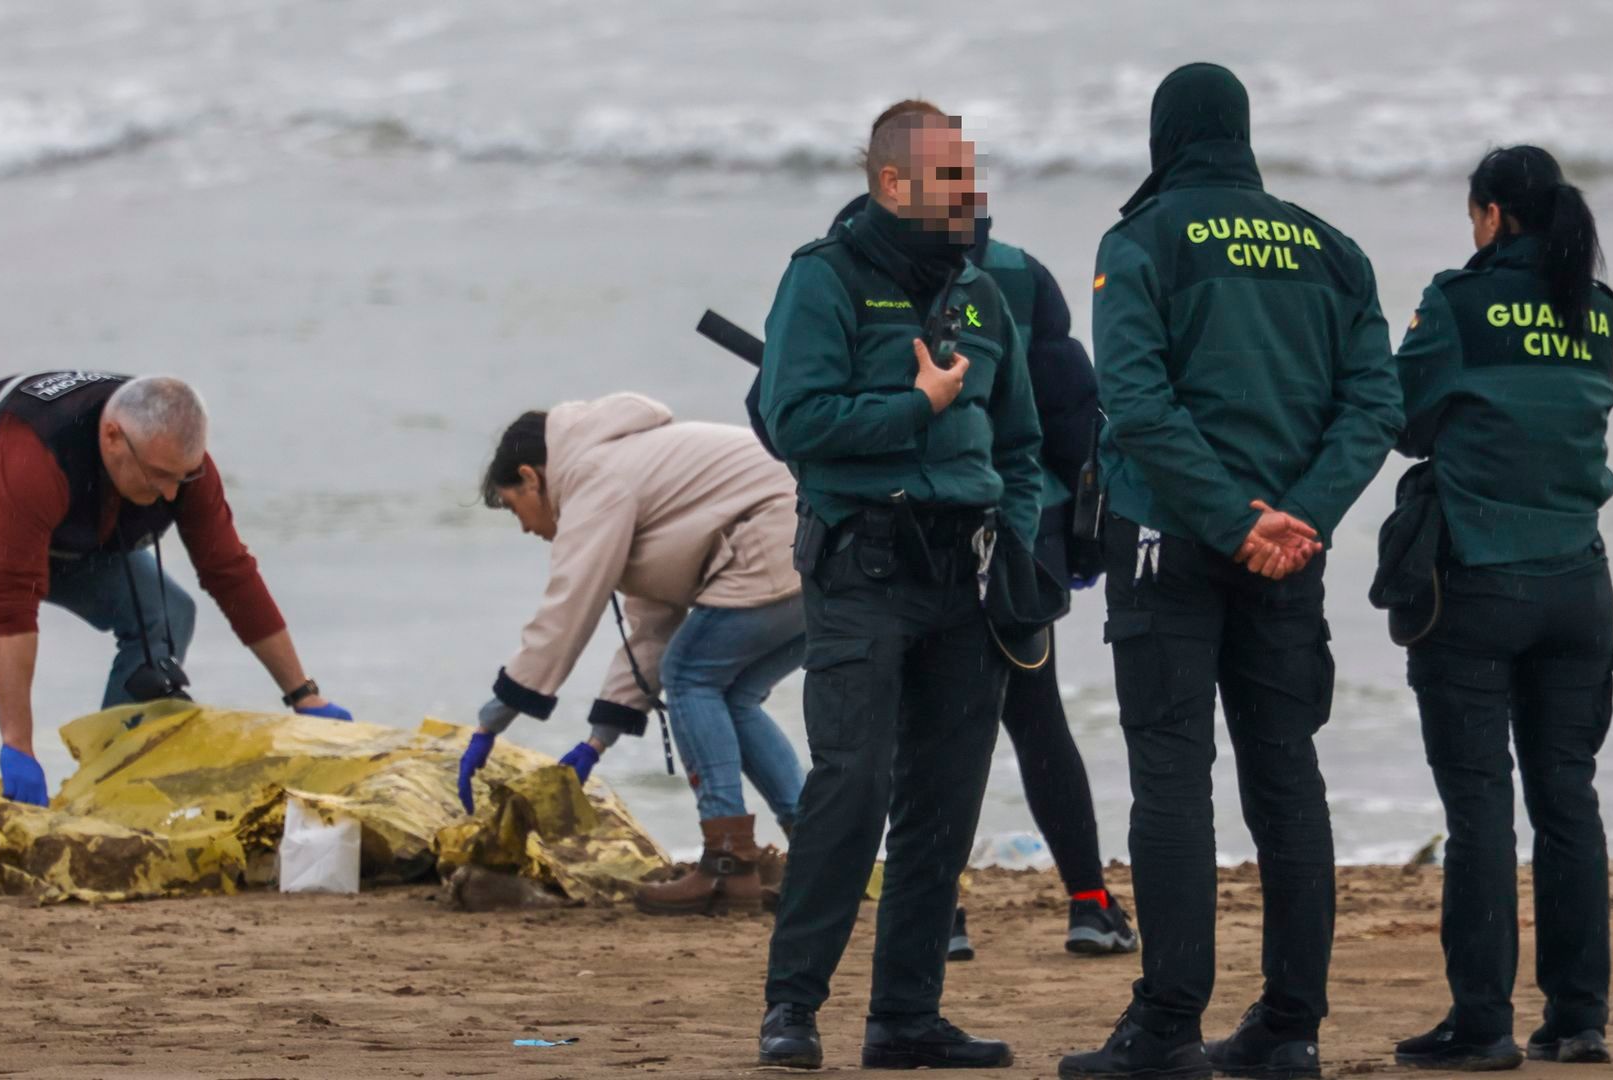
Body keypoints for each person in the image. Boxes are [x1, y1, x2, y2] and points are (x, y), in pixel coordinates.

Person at [1058, 64, 1401, 1080]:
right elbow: (1374, 404)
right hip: (1291, 549)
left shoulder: (1143, 239)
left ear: (1164, 136)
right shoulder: (1332, 250)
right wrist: (1302, 514)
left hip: (1172, 537)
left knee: (1172, 776)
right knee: (1287, 776)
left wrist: (1228, 518)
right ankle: (1290, 1028)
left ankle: (1167, 1029)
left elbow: (1133, 398)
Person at [754, 106, 1043, 1072]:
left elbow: (1024, 445)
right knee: (852, 787)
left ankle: (905, 1018)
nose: (973, 193)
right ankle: (791, 1009)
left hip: (966, 577)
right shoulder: (822, 281)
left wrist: (1023, 550)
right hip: (860, 567)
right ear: (892, 185)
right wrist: (915, 406)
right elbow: (797, 422)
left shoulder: (984, 295)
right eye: (952, 176)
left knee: (945, 800)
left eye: (973, 173)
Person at [827, 101, 1136, 963]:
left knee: (910, 733)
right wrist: (1072, 542)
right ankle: (1088, 903)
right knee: (1035, 721)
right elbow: (1069, 418)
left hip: (908, 543)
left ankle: (946, 914)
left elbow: (790, 413)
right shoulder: (1022, 275)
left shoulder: (851, 267)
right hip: (1012, 540)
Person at [1386, 146, 1613, 1071]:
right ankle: (1578, 1019)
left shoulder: (1457, 300)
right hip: (1579, 587)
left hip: (1478, 582)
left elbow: (1403, 418)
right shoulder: (1593, 310)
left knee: (1479, 806)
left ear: (1490, 216)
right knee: (1568, 802)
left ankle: (1481, 1023)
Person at [0, 372, 351, 815]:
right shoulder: (35, 454)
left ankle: (100, 793)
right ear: (113, 438)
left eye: (181, 477)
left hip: (56, 529)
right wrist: (17, 745)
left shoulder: (178, 466)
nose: (169, 495)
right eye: (159, 476)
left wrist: (302, 694)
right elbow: (13, 601)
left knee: (168, 610)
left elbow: (230, 572)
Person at [459, 393, 807, 916]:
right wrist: (596, 744)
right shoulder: (631, 471)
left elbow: (567, 606)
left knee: (690, 676)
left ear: (531, 477)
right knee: (730, 694)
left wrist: (491, 720)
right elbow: (650, 628)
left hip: (776, 540)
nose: (526, 527)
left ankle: (726, 865)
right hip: (815, 549)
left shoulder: (594, 477)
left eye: (514, 508)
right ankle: (820, 851)